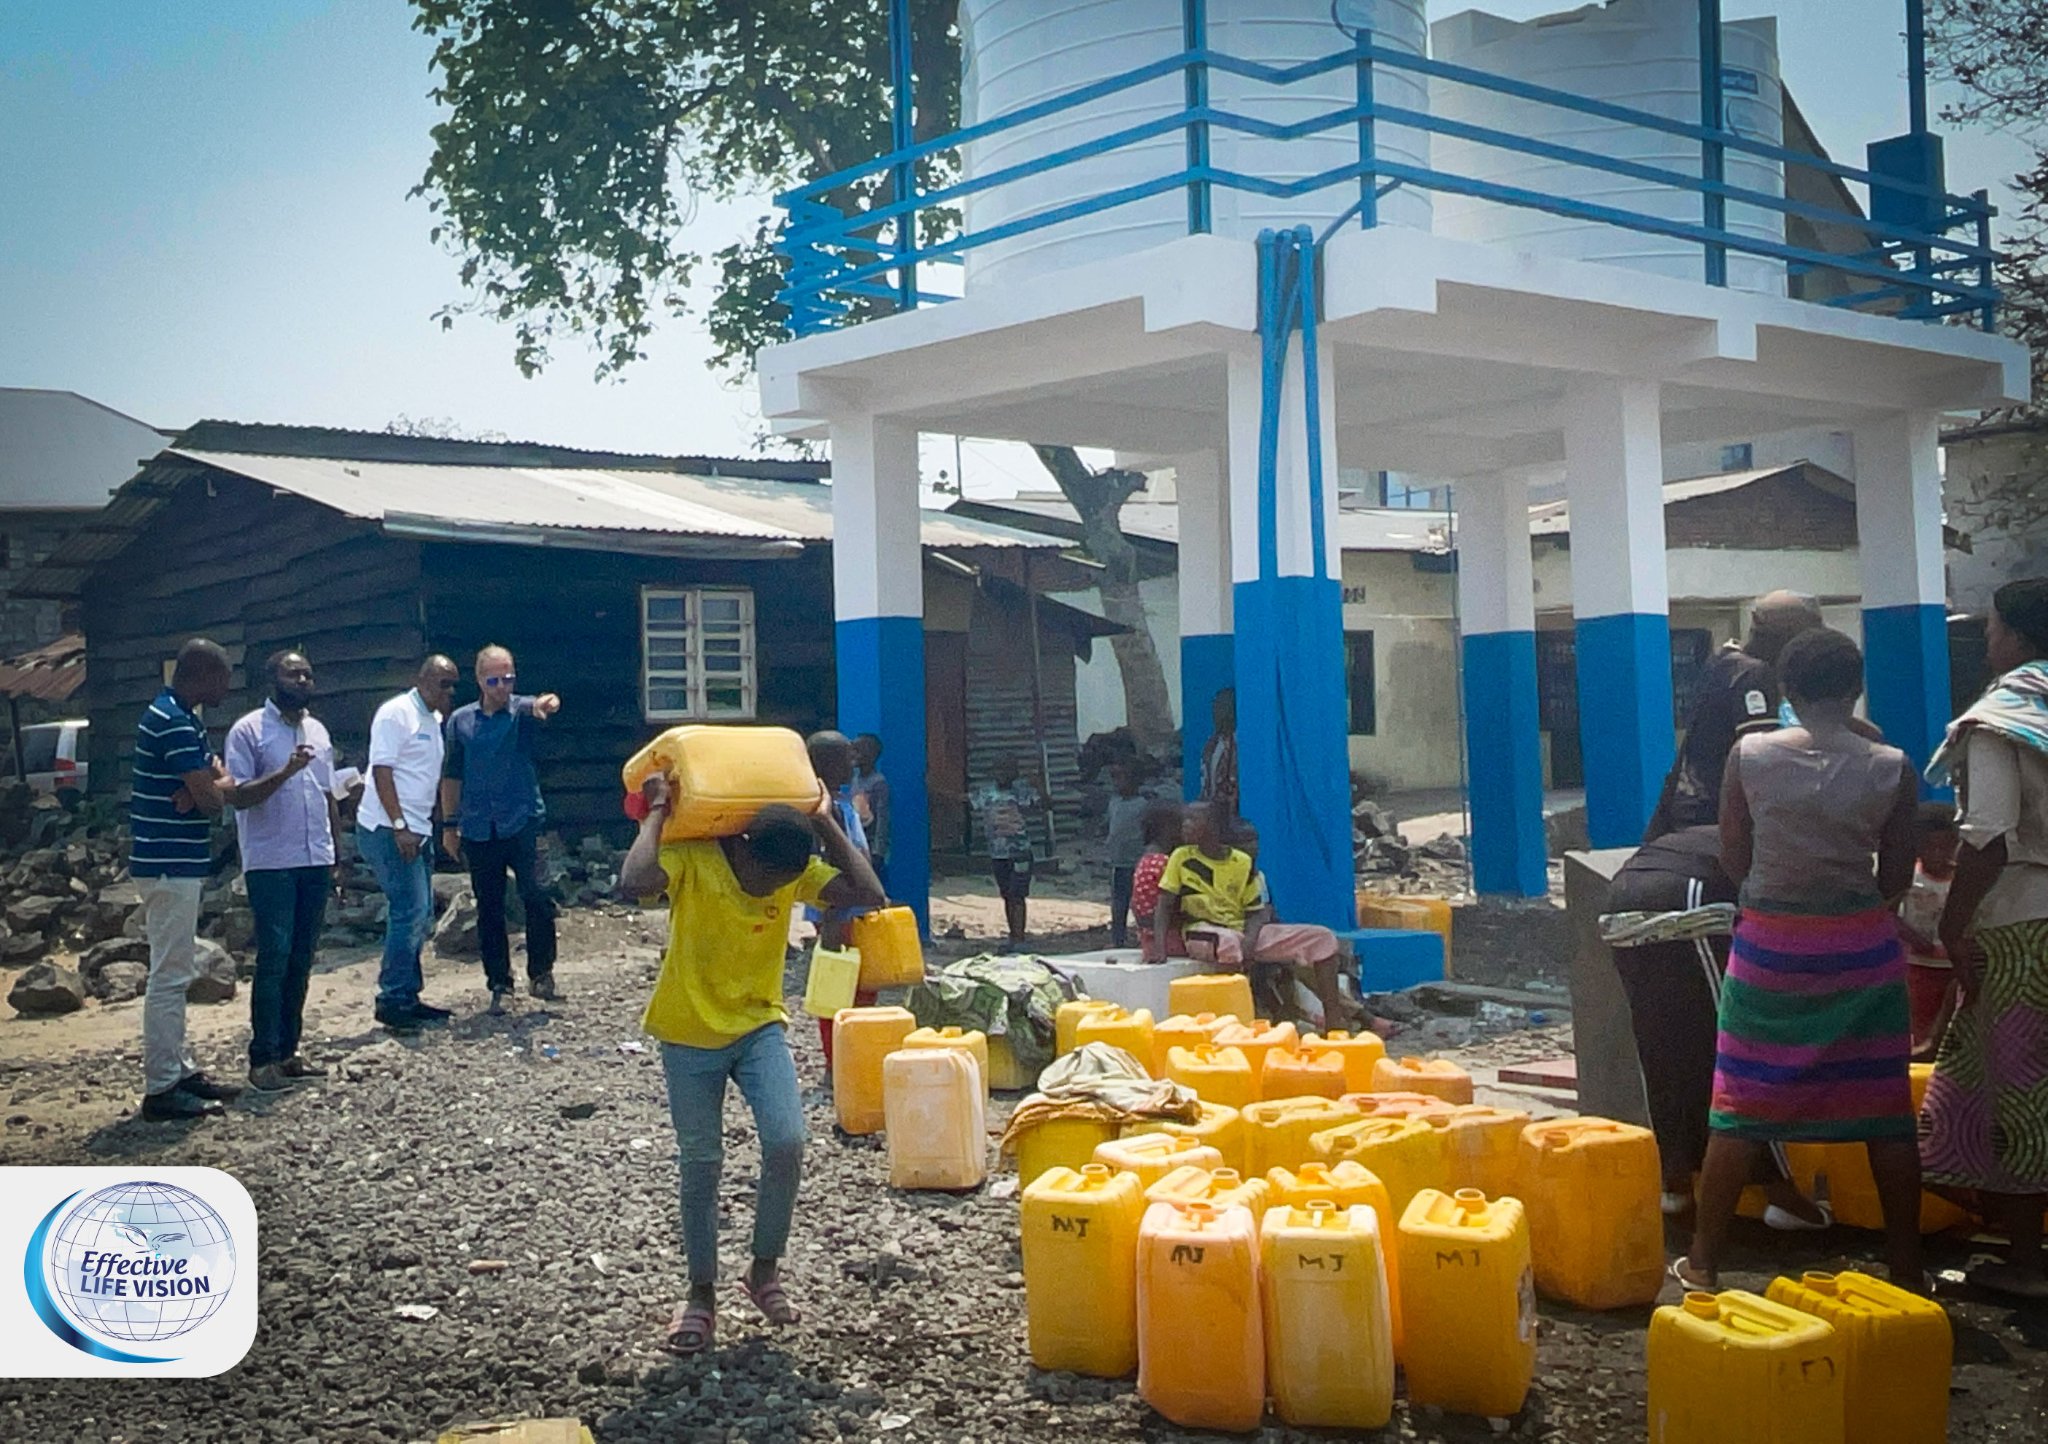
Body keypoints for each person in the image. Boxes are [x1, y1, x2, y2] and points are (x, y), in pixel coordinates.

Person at [1676, 628, 1922, 1290]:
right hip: (1862, 948)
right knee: (1885, 1109)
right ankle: (1907, 1268)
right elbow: (1899, 870)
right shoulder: (1891, 765)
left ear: (1784, 689)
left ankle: (1703, 1263)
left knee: (1739, 1106)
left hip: (1771, 947)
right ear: (1855, 687)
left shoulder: (1750, 756)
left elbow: (1734, 853)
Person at [618, 774, 884, 1355]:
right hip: (687, 1031)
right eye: (769, 880)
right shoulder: (696, 859)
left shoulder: (788, 869)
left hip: (759, 1025)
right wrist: (658, 809)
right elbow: (634, 880)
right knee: (702, 1161)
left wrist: (823, 819)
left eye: (787, 885)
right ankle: (700, 1294)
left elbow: (870, 892)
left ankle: (763, 1270)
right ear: (741, 848)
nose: (776, 892)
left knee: (788, 1140)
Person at [1919, 576, 2048, 1298]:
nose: (1988, 640)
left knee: (2017, 1088)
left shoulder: (2002, 719)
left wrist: (1952, 920)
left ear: (2019, 638)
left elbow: (1990, 837)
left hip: (2024, 921)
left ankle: (2027, 1266)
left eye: (1994, 627)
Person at [1602, 824, 1826, 1226]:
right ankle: (1781, 1194)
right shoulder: (1802, 852)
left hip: (1622, 896)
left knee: (1664, 1047)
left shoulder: (1743, 831)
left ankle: (1676, 1185)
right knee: (1739, 1050)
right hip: (1689, 899)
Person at [131, 639, 310, 1121]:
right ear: (202, 675)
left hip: (178, 860)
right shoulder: (171, 720)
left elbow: (217, 784)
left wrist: (207, 788)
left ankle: (182, 1069)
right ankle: (162, 1085)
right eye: (223, 675)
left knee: (179, 970)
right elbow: (214, 799)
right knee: (169, 976)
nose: (228, 685)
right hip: (168, 861)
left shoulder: (183, 717)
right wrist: (207, 791)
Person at [224, 650, 343, 1093]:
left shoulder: (318, 730)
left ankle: (290, 1053)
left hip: (314, 858)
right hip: (272, 862)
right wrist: (285, 771)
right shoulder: (248, 730)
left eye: (308, 673)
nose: (303, 679)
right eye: (293, 673)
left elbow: (328, 793)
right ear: (271, 680)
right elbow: (237, 796)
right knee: (273, 958)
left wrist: (336, 853)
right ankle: (262, 1058)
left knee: (302, 957)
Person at [1154, 801, 1352, 1031]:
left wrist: (1249, 939)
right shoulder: (1181, 857)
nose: (1185, 826)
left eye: (1193, 820)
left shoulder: (1241, 861)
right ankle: (1235, 1023)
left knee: (1322, 937)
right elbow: (1164, 905)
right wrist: (1160, 946)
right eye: (1184, 821)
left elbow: (1256, 912)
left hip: (1241, 932)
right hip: (1202, 931)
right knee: (1228, 942)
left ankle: (1335, 1025)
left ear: (1214, 826)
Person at [440, 645, 563, 1013]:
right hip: (479, 826)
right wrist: (449, 823)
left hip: (524, 820)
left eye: (508, 678)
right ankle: (499, 983)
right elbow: (451, 775)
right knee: (489, 908)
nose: (501, 687)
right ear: (479, 680)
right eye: (494, 680)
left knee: (538, 897)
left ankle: (541, 971)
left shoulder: (521, 711)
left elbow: (542, 703)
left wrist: (547, 704)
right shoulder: (461, 722)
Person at [1645, 591, 1823, 840]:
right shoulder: (1755, 675)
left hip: (1691, 805)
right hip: (1718, 817)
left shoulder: (1723, 661)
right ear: (1790, 640)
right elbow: (1762, 760)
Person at [359, 656, 459, 1033]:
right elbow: (382, 770)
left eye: (452, 685)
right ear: (422, 680)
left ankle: (408, 994)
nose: (447, 691)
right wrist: (399, 825)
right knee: (409, 910)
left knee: (420, 914)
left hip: (418, 828)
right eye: (441, 683)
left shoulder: (433, 721)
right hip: (390, 827)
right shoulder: (395, 713)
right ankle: (391, 999)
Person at [805, 729, 873, 1068]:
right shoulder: (825, 811)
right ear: (827, 764)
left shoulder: (838, 803)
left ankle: (850, 1059)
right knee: (842, 986)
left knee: (856, 985)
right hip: (840, 910)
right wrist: (836, 909)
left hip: (849, 907)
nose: (854, 761)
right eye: (847, 756)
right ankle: (841, 1063)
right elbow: (834, 861)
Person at [1896, 802, 1960, 1055]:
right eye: (1929, 847)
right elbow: (1888, 915)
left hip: (1954, 969)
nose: (1938, 854)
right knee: (1920, 1027)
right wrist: (1912, 938)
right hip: (1918, 967)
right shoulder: (1909, 878)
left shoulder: (1965, 880)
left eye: (1946, 847)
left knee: (1952, 1028)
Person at [971, 757, 1042, 946]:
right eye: (999, 769)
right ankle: (1013, 936)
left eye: (1008, 769)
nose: (1003, 774)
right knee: (1007, 895)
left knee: (1017, 895)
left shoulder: (1022, 792)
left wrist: (1039, 785)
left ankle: (1019, 938)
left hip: (1020, 852)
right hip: (997, 854)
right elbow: (963, 800)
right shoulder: (986, 793)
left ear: (1015, 773)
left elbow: (1045, 806)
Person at [1131, 798, 1186, 963]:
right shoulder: (1165, 863)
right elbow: (1170, 904)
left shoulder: (1145, 859)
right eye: (1182, 826)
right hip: (1168, 939)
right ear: (1168, 830)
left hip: (1148, 937)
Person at [1105, 761, 1150, 949]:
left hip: (1137, 862)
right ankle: (1118, 939)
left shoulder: (1144, 805)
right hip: (1118, 862)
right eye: (1114, 778)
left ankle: (1145, 937)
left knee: (1141, 901)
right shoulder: (1114, 802)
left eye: (1122, 778)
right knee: (1118, 902)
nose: (1117, 783)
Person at [851, 733, 891, 889]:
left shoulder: (878, 783)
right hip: (858, 843)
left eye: (857, 751)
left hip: (870, 844)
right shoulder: (855, 779)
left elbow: (882, 818)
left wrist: (878, 851)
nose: (853, 755)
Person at [1199, 687, 1239, 828]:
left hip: (1230, 814)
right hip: (1211, 811)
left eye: (1220, 707)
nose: (1215, 712)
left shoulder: (1238, 743)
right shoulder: (1213, 743)